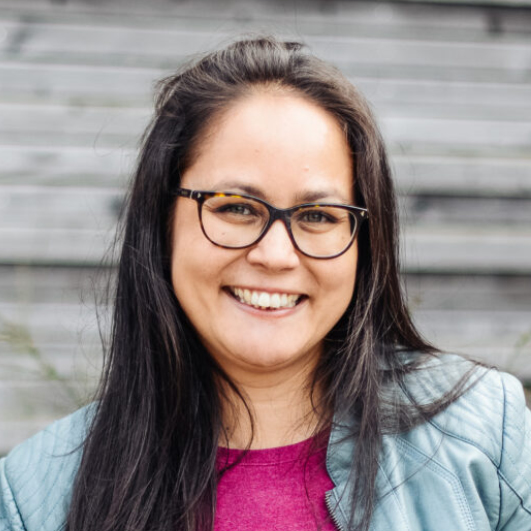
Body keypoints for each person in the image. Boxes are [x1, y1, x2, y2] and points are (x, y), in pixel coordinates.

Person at [0, 36, 530, 531]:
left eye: (318, 216)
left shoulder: (483, 438)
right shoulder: (36, 497)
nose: (276, 255)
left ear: (365, 243)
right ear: (161, 222)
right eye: (235, 207)